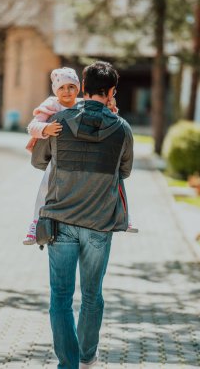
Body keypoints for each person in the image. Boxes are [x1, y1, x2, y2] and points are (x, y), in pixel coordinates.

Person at [31, 60, 134, 369]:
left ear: (83, 89)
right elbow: (124, 172)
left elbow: (39, 162)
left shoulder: (58, 121)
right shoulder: (122, 128)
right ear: (112, 91)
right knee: (92, 294)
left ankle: (69, 364)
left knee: (60, 297)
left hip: (59, 222)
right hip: (99, 225)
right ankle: (87, 357)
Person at [24, 68, 137, 245]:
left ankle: (125, 215)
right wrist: (45, 129)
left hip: (61, 207)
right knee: (45, 187)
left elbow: (38, 161)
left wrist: (111, 106)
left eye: (71, 87)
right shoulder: (52, 106)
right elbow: (33, 126)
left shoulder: (77, 107)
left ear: (80, 88)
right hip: (99, 216)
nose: (66, 92)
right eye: (61, 88)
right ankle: (35, 223)